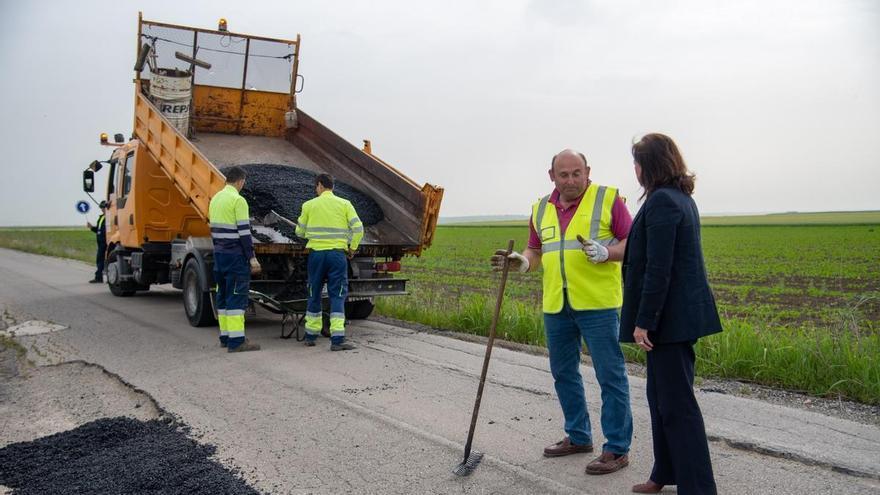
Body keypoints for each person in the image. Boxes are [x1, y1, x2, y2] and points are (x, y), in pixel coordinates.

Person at [490, 149, 634, 475]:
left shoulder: (607, 199)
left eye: (576, 173)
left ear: (588, 172)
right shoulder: (541, 208)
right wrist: (522, 262)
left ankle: (616, 448)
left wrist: (607, 252)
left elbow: (633, 242)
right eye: (564, 174)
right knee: (564, 373)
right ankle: (579, 436)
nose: (571, 180)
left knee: (610, 376)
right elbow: (535, 249)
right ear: (552, 175)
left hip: (598, 304)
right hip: (557, 304)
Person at [621, 134, 722, 494]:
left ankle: (698, 488)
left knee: (677, 406)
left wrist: (644, 321)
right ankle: (664, 472)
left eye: (637, 162)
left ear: (647, 166)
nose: (634, 169)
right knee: (660, 399)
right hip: (675, 318)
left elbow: (658, 268)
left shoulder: (663, 201)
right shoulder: (678, 197)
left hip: (669, 322)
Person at [296, 173, 364, 351]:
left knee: (314, 293)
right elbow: (358, 229)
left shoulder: (308, 205)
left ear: (320, 185)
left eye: (316, 187)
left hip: (316, 256)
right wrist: (352, 248)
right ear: (332, 186)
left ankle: (310, 336)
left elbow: (299, 232)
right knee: (337, 295)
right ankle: (337, 340)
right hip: (337, 256)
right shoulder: (345, 204)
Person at [209, 166, 261, 353]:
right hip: (235, 257)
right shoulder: (238, 200)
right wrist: (252, 258)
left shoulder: (215, 199)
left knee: (222, 296)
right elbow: (244, 233)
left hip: (219, 255)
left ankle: (225, 337)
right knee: (236, 298)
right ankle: (237, 341)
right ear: (240, 181)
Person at [87, 201, 108, 283]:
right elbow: (99, 230)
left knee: (101, 260)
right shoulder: (102, 217)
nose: (102, 209)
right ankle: (99, 277)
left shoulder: (109, 217)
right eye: (101, 208)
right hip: (100, 243)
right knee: (100, 260)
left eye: (103, 207)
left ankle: (99, 277)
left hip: (105, 242)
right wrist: (91, 227)